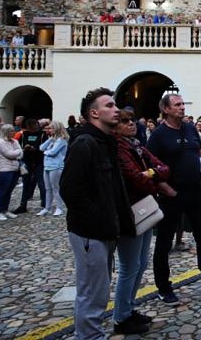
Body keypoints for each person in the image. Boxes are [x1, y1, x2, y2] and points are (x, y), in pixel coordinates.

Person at [59, 88, 136, 340]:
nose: (117, 110)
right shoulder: (85, 143)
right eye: (110, 105)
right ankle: (89, 337)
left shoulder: (106, 141)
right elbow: (70, 190)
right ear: (94, 113)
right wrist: (98, 218)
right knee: (92, 292)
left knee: (99, 290)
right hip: (90, 231)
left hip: (104, 229)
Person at [147, 93, 201, 306]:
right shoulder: (158, 135)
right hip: (172, 194)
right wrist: (167, 190)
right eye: (177, 105)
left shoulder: (191, 129)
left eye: (183, 104)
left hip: (195, 192)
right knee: (164, 242)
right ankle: (164, 288)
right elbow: (148, 166)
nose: (182, 108)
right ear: (165, 109)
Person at [112, 108, 171, 334]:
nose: (130, 124)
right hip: (130, 211)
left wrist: (152, 174)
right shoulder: (118, 147)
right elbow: (135, 180)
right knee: (129, 266)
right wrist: (151, 177)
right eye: (124, 121)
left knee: (141, 264)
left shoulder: (136, 145)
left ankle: (128, 308)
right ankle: (121, 318)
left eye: (132, 121)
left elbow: (164, 168)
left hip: (144, 208)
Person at [13, 119, 48, 214]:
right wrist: (25, 149)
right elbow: (20, 147)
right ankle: (23, 204)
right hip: (27, 161)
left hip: (38, 162)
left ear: (37, 126)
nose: (31, 130)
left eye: (33, 129)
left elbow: (45, 147)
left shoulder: (43, 135)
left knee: (41, 184)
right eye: (30, 129)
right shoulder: (24, 135)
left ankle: (44, 205)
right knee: (26, 184)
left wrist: (36, 149)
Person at [38, 121, 68, 216]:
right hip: (47, 165)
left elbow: (53, 152)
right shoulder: (52, 140)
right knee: (48, 188)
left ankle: (59, 207)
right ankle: (48, 207)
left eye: (50, 128)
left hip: (56, 166)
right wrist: (50, 140)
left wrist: (46, 152)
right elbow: (41, 147)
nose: (48, 130)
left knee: (56, 188)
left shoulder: (61, 140)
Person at [0, 124, 23, 220]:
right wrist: (18, 152)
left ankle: (5, 210)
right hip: (6, 169)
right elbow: (9, 154)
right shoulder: (1, 142)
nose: (13, 132)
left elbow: (21, 153)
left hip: (15, 169)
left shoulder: (14, 141)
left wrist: (17, 153)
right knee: (2, 191)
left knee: (9, 191)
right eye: (11, 131)